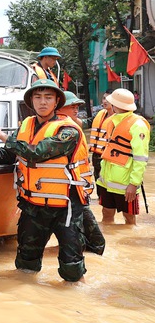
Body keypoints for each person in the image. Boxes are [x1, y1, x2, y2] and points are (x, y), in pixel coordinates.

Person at [0, 79, 87, 282]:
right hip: (33, 206)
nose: (42, 102)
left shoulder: (68, 131)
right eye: (37, 97)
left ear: (56, 102)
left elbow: (36, 153)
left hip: (65, 206)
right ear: (31, 102)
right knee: (26, 265)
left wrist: (1, 135)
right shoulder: (26, 126)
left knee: (72, 270)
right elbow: (11, 154)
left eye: (48, 97)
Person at [56, 91, 105, 255]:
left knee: (81, 238)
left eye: (77, 106)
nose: (76, 109)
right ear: (59, 106)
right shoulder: (63, 128)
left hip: (78, 189)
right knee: (95, 242)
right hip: (70, 192)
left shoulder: (70, 125)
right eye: (71, 106)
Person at [96, 88, 150, 225]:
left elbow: (141, 158)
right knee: (106, 215)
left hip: (125, 183)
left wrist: (133, 184)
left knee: (129, 218)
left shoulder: (138, 125)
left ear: (116, 105)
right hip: (106, 179)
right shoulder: (112, 120)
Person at [88, 90, 113, 182]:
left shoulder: (119, 119)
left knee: (108, 185)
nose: (105, 101)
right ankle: (99, 196)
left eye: (108, 99)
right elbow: (85, 124)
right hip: (96, 156)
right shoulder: (100, 114)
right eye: (103, 98)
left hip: (109, 158)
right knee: (98, 181)